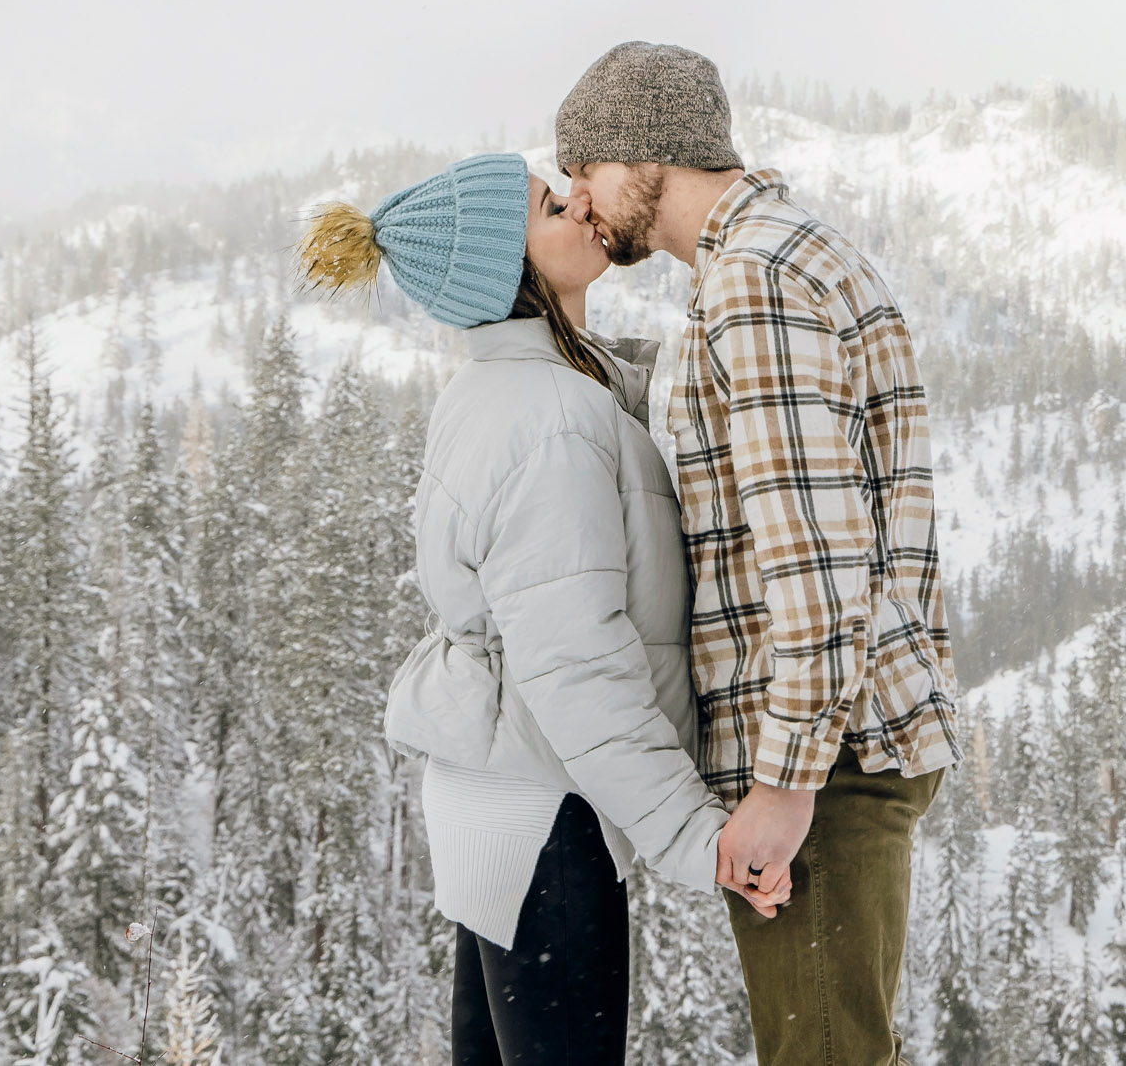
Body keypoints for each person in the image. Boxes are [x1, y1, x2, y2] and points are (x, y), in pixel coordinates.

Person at [296, 151, 786, 1066]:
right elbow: (577, 669)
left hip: (502, 801)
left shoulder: (506, 393)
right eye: (551, 205)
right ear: (505, 268)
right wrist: (695, 835)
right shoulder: (550, 421)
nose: (582, 206)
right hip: (548, 816)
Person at [556, 43, 963, 1066]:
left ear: (646, 151)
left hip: (822, 763)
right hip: (844, 743)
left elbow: (816, 560)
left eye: (584, 170)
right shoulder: (780, 257)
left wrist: (784, 782)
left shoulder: (754, 281)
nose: (580, 201)